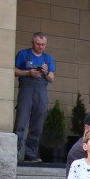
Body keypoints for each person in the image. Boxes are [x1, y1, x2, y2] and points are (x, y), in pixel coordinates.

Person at [13, 32, 55, 163]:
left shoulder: (47, 58)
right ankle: (15, 153)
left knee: (37, 124)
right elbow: (14, 70)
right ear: (32, 43)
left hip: (41, 92)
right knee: (21, 123)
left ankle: (30, 154)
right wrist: (28, 72)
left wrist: (46, 72)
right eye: (38, 44)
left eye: (43, 45)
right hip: (26, 90)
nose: (40, 47)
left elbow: (52, 79)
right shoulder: (23, 54)